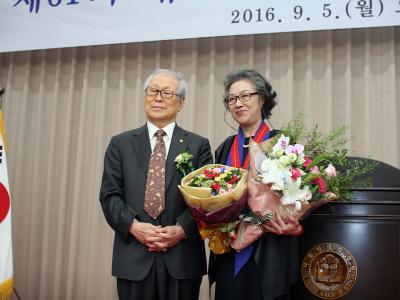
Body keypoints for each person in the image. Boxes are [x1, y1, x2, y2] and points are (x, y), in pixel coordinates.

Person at [100, 69, 213, 300]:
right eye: (153, 91)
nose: (158, 97)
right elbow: (109, 196)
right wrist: (133, 226)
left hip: (182, 257)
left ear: (181, 103)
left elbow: (206, 200)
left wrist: (181, 230)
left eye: (167, 93)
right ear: (145, 96)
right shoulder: (120, 144)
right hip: (133, 255)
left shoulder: (198, 145)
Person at [209, 69, 303, 300]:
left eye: (245, 96)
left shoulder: (283, 143)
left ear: (262, 98)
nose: (238, 103)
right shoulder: (223, 148)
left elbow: (301, 196)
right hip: (229, 251)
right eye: (232, 99)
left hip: (271, 251)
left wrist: (293, 220)